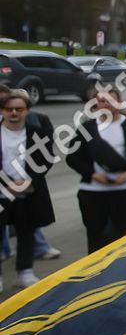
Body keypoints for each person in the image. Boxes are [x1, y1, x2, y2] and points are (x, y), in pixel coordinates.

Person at [66, 83, 126, 253]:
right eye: (102, 101)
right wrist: (91, 174)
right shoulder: (87, 128)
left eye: (110, 100)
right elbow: (73, 157)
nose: (106, 104)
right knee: (96, 236)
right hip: (93, 190)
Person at [0, 90, 55, 293]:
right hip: (2, 190)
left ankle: (25, 272)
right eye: (9, 109)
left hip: (28, 190)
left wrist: (29, 179)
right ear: (2, 111)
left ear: (27, 111)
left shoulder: (36, 132)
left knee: (27, 231)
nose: (14, 112)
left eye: (19, 109)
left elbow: (47, 158)